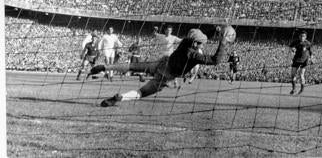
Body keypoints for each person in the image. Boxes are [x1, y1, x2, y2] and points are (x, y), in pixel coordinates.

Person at [88, 26, 236, 107]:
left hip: (161, 63)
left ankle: (106, 68)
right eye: (201, 42)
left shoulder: (185, 42)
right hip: (166, 76)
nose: (203, 43)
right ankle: (120, 97)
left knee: (133, 66)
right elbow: (215, 60)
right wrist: (222, 43)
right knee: (142, 92)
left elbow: (200, 36)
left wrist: (214, 31)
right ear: (197, 43)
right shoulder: (194, 55)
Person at [289, 30, 313, 95]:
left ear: (305, 37)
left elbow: (311, 52)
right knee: (292, 75)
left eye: (304, 36)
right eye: (301, 36)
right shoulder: (295, 42)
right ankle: (294, 89)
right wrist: (292, 50)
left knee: (301, 75)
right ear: (299, 36)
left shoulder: (308, 43)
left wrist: (312, 59)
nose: (302, 37)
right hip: (296, 59)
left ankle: (301, 90)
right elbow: (290, 47)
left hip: (304, 60)